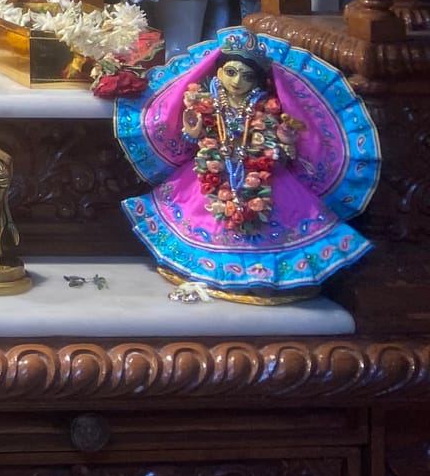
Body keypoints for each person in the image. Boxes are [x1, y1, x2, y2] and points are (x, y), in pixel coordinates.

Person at [117, 28, 378, 300]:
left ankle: (262, 276)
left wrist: (285, 141)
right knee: (208, 214)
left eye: (246, 76)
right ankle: (216, 271)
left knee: (271, 218)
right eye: (230, 72)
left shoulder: (267, 107)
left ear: (257, 81)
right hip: (212, 175)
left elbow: (283, 150)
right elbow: (194, 139)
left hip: (263, 176)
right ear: (218, 72)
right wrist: (192, 132)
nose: (237, 81)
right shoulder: (206, 102)